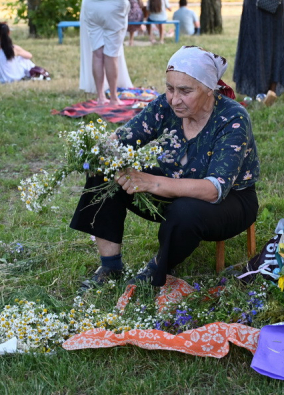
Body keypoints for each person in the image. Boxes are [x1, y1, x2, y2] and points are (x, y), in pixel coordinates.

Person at [71, 46, 260, 290]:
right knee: (105, 172)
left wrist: (151, 182)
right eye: (170, 88)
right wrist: (98, 151)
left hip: (230, 202)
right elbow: (128, 135)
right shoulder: (165, 106)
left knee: (185, 210)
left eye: (185, 91)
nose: (174, 99)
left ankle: (156, 270)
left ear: (209, 89)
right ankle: (110, 266)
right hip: (175, 183)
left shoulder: (232, 117)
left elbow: (215, 189)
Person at [233, 0, 284, 107]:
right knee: (272, 42)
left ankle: (262, 90)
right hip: (266, 3)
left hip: (264, 3)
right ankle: (269, 90)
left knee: (258, 43)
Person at [80, 0, 130, 105]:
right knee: (111, 54)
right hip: (112, 3)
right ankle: (113, 98)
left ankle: (101, 97)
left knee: (97, 53)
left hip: (90, 3)